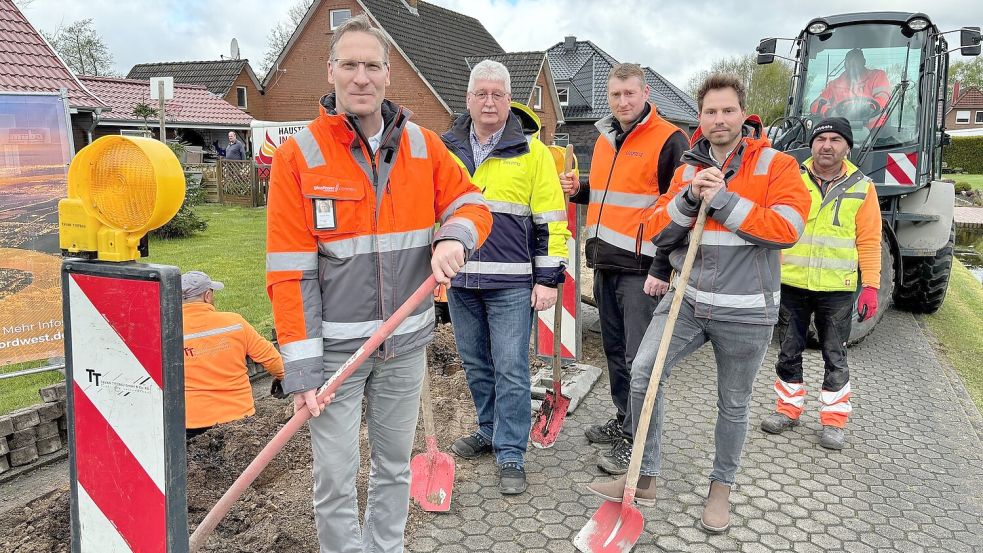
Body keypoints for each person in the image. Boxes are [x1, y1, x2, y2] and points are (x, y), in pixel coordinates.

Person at [264, 14, 491, 553]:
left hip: (405, 345)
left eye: (372, 65)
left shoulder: (424, 146)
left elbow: (470, 203)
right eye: (350, 65)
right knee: (335, 479)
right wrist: (301, 371)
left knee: (393, 467)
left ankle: (386, 547)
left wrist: (455, 238)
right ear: (331, 72)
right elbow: (289, 271)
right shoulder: (300, 156)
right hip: (336, 354)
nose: (361, 77)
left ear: (389, 75)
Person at [586, 74, 811, 533]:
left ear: (744, 115)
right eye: (710, 111)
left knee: (733, 403)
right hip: (688, 300)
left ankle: (720, 489)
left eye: (727, 111)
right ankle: (644, 476)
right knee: (644, 373)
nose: (718, 119)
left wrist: (724, 201)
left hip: (747, 309)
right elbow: (653, 225)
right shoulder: (690, 167)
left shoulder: (777, 165)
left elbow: (787, 228)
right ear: (701, 117)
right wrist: (689, 197)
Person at [440, 61, 571, 495]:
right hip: (460, 283)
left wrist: (548, 279)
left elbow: (552, 221)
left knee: (512, 369)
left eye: (498, 94)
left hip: (512, 284)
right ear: (469, 99)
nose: (490, 102)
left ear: (508, 99)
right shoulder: (446, 149)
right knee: (476, 364)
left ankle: (511, 451)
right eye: (482, 94)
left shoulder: (532, 153)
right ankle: (489, 428)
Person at [558, 63, 688, 475]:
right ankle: (623, 419)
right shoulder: (604, 138)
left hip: (641, 270)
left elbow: (679, 209)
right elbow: (609, 195)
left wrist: (662, 267)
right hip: (605, 263)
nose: (623, 102)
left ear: (645, 92)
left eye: (630, 94)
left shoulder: (669, 139)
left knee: (638, 359)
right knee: (615, 351)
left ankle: (638, 440)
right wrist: (579, 190)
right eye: (616, 95)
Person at [760, 117, 881, 450]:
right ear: (812, 144)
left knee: (835, 356)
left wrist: (870, 285)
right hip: (792, 283)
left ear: (847, 147)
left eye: (835, 140)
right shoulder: (792, 177)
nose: (827, 145)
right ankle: (787, 410)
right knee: (788, 351)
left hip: (836, 289)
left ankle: (834, 420)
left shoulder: (862, 186)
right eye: (821, 139)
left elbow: (869, 240)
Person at [181, 271, 284, 440]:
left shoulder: (166, 332)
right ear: (207, 296)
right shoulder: (234, 323)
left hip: (190, 422)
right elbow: (271, 358)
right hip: (238, 417)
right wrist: (282, 377)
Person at [810, 49, 891, 127]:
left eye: (856, 62)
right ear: (845, 65)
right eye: (850, 62)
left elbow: (883, 99)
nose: (853, 65)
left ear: (864, 62)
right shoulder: (834, 85)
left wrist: (864, 109)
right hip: (841, 131)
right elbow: (815, 105)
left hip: (877, 134)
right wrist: (829, 111)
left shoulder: (877, 76)